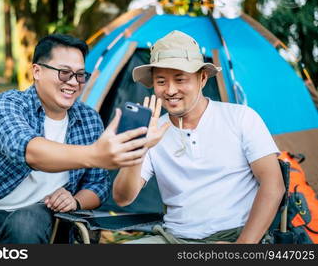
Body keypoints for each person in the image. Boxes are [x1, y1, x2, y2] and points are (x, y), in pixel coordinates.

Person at [0, 34, 148, 244]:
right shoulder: (7, 105)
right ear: (37, 71)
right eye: (64, 73)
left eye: (80, 75)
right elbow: (29, 151)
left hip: (47, 217)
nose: (73, 83)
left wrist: (75, 200)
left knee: (25, 223)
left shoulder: (89, 119)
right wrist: (96, 155)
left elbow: (98, 187)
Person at [113, 30, 285, 244]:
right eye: (161, 81)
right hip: (173, 238)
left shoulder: (241, 118)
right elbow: (122, 198)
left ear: (202, 78)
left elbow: (273, 185)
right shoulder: (154, 129)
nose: (170, 90)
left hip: (235, 236)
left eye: (180, 79)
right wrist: (139, 148)